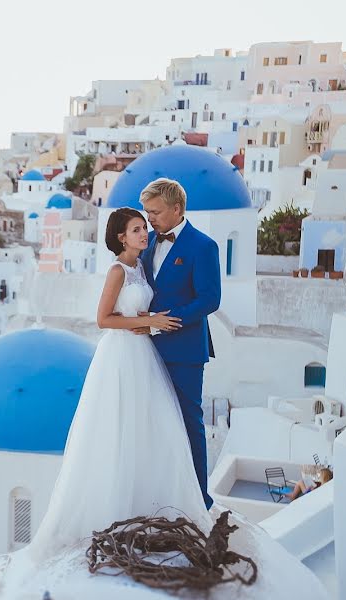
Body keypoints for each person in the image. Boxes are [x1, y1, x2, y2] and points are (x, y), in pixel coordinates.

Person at [27, 206, 212, 561]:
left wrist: (148, 321)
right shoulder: (117, 271)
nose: (144, 233)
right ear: (120, 237)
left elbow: (138, 312)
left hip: (145, 352)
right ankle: (112, 509)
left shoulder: (141, 266)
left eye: (145, 227)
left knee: (151, 427)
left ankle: (150, 503)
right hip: (121, 355)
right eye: (136, 229)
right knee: (117, 426)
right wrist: (148, 319)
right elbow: (103, 319)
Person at [140, 178, 221, 509]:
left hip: (184, 349)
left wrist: (166, 321)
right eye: (147, 212)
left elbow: (209, 299)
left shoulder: (203, 246)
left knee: (189, 422)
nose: (150, 219)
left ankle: (197, 497)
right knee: (150, 422)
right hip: (144, 349)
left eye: (156, 212)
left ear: (177, 209)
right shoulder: (145, 243)